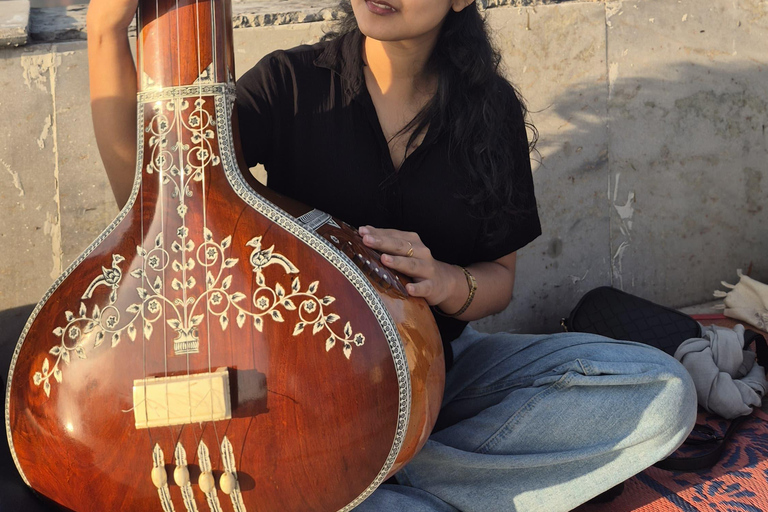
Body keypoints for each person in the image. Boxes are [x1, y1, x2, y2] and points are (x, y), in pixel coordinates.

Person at [86, 0, 698, 510]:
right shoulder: (291, 84)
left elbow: (499, 282)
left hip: (438, 372)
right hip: (302, 399)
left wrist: (445, 282)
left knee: (664, 393)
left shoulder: (489, 114)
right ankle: (367, 481)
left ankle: (373, 487)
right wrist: (106, 35)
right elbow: (160, 202)